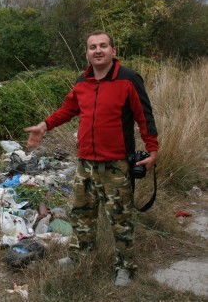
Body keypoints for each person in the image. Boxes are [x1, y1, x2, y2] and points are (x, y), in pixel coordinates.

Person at [24, 30, 158, 287]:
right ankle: (79, 254)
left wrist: (153, 150)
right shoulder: (82, 81)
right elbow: (67, 109)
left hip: (117, 163)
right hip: (85, 162)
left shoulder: (129, 79)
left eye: (103, 46)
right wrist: (44, 125)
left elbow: (145, 116)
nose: (98, 50)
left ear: (113, 51)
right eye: (92, 47)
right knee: (81, 213)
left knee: (120, 217)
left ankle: (125, 267)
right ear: (86, 53)